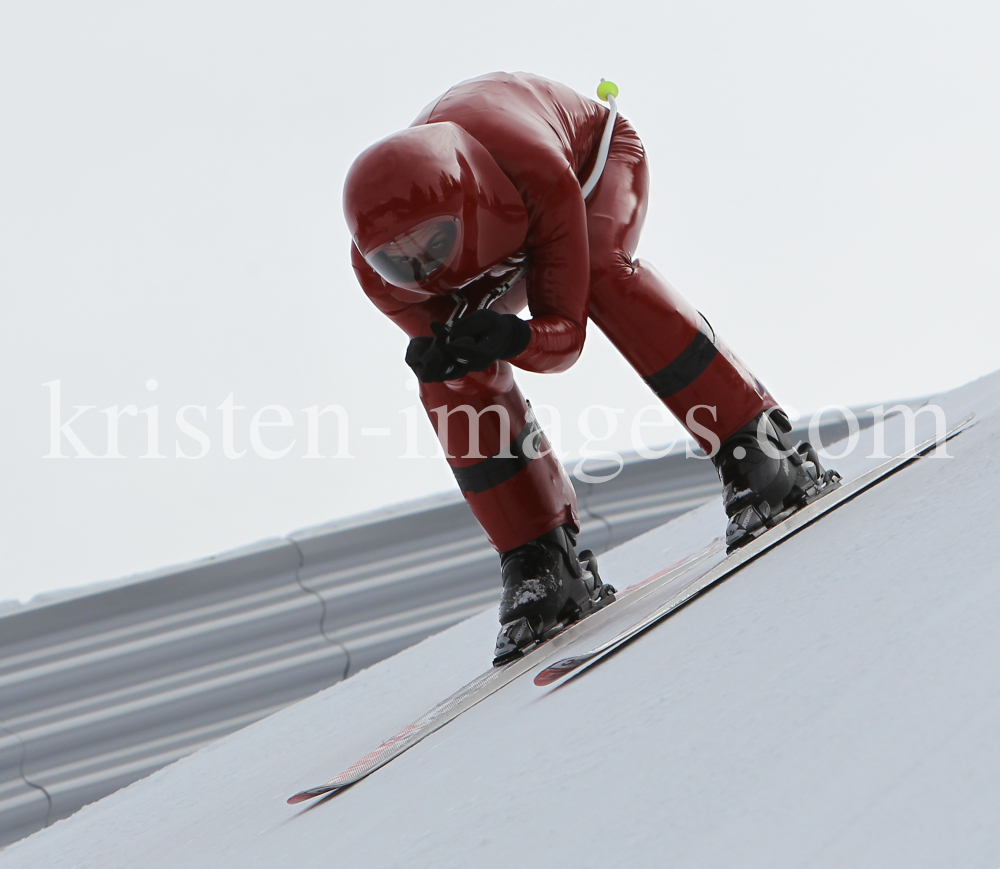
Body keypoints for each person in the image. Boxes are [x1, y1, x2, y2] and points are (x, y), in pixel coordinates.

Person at [343, 72, 837, 663]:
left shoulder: (529, 164)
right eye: (400, 261)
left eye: (432, 243)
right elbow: (459, 356)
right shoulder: (378, 276)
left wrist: (517, 334)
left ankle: (755, 443)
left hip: (589, 167)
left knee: (603, 271)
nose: (427, 272)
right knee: (452, 373)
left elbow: (566, 338)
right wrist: (452, 359)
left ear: (464, 202)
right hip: (504, 217)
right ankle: (539, 555)